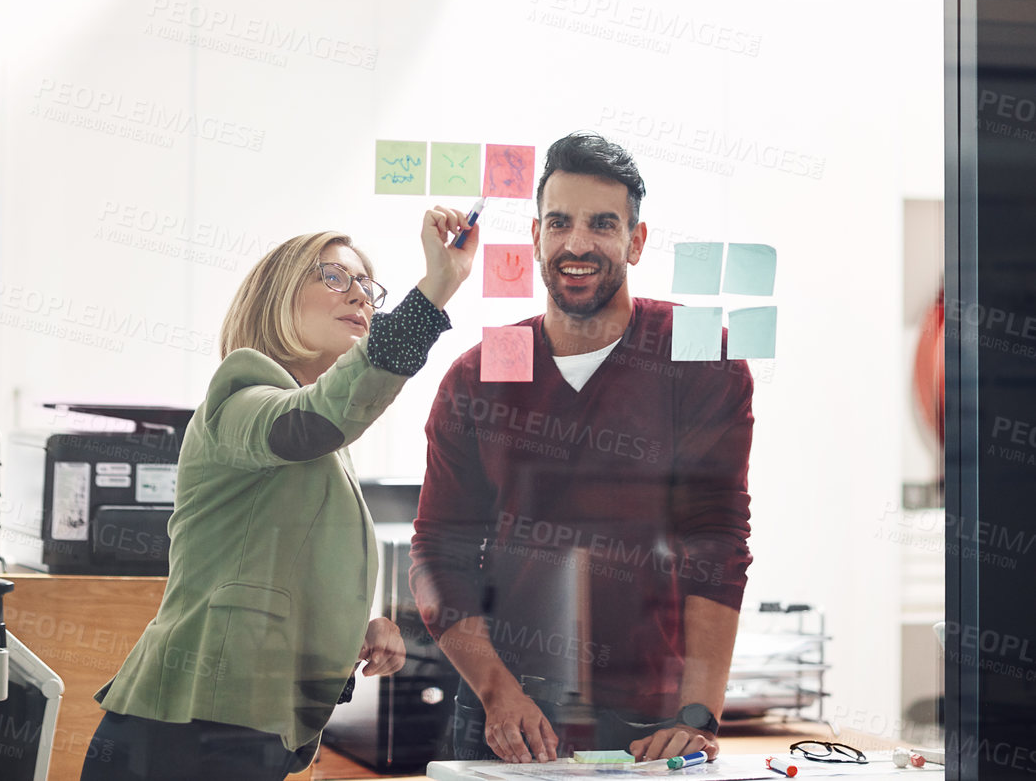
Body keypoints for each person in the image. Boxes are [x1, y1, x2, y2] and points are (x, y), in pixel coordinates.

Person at [80, 205, 477, 781]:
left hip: (243, 729)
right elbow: (316, 417)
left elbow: (283, 563)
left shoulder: (324, 439)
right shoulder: (241, 393)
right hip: (188, 725)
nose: (361, 297)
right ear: (276, 299)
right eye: (335, 277)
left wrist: (357, 627)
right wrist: (436, 288)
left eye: (368, 285)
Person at [410, 132, 753, 765]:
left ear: (637, 240)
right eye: (560, 223)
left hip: (651, 721)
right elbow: (437, 550)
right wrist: (497, 692)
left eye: (603, 224)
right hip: (504, 717)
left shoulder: (701, 351)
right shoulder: (482, 371)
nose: (577, 244)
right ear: (537, 236)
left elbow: (719, 538)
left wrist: (699, 712)